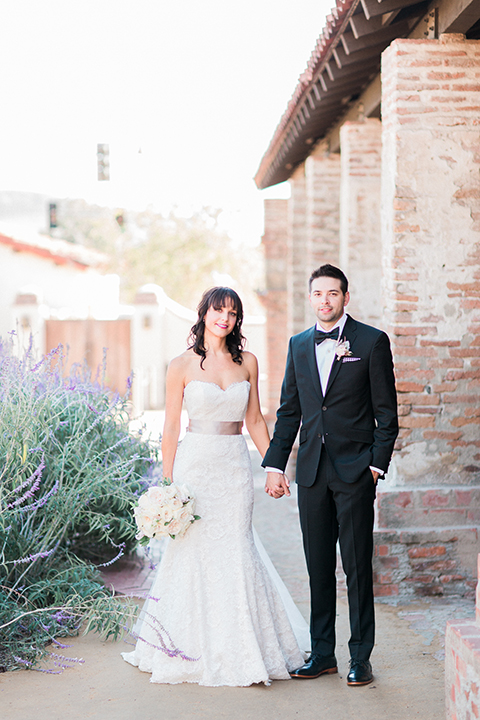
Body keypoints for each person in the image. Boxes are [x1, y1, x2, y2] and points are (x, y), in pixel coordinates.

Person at [122, 286, 307, 687]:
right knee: (192, 551)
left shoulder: (248, 363)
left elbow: (256, 421)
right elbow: (171, 427)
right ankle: (184, 646)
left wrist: (274, 467)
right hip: (195, 467)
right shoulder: (181, 365)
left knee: (237, 547)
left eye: (233, 312)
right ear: (204, 313)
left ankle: (244, 644)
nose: (225, 317)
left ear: (238, 320)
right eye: (218, 310)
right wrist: (168, 484)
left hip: (234, 468)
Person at [263, 264, 398, 686]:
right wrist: (274, 464)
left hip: (355, 472)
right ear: (310, 297)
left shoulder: (371, 342)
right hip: (312, 475)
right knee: (317, 566)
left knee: (357, 567)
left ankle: (361, 657)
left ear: (345, 298)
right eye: (318, 293)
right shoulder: (299, 345)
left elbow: (386, 414)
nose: (325, 300)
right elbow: (290, 411)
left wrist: (374, 467)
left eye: (333, 294)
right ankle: (322, 653)